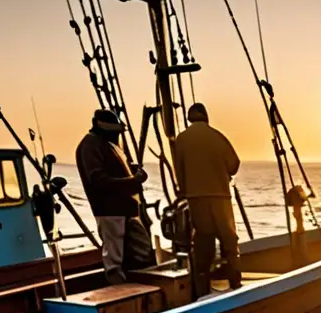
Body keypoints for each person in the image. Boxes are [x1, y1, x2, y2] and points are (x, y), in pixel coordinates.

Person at [75, 109, 155, 284]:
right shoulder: (90, 146)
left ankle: (143, 284)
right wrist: (133, 181)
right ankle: (118, 290)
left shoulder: (106, 145)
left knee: (142, 249)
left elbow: (113, 172)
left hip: (126, 209)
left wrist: (131, 171)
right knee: (114, 258)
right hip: (109, 211)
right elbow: (99, 180)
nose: (117, 136)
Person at [174, 102, 242, 297]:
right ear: (206, 117)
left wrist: (187, 190)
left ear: (189, 118)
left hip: (196, 199)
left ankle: (201, 289)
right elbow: (234, 164)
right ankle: (235, 283)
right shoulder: (217, 136)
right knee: (229, 240)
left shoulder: (181, 139)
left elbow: (179, 171)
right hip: (220, 197)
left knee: (203, 242)